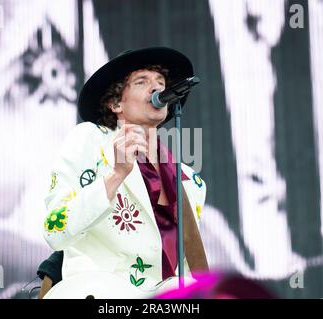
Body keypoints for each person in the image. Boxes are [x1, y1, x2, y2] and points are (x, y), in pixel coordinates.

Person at [41, 47, 208, 298]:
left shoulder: (191, 181)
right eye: (142, 82)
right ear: (115, 102)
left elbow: (188, 269)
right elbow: (55, 229)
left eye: (161, 83)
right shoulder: (89, 140)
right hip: (100, 290)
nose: (157, 89)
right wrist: (116, 175)